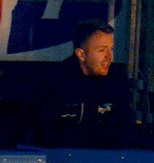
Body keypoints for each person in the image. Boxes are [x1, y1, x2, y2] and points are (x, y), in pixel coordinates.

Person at [39, 19, 135, 147]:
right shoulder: (55, 82)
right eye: (102, 50)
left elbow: (125, 127)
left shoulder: (117, 79)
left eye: (111, 49)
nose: (110, 57)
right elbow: (45, 133)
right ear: (81, 54)